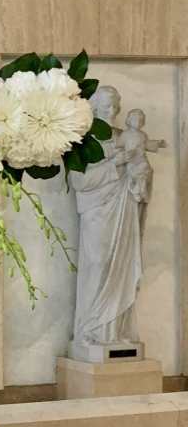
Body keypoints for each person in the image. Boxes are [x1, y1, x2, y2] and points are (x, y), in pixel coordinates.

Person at [70, 86, 143, 345]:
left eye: (114, 106)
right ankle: (90, 329)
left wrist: (138, 178)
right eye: (105, 107)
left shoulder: (126, 136)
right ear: (95, 108)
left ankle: (114, 333)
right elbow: (79, 181)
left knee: (120, 265)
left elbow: (140, 167)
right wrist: (115, 164)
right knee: (98, 263)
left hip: (123, 205)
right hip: (97, 210)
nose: (111, 112)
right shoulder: (83, 140)